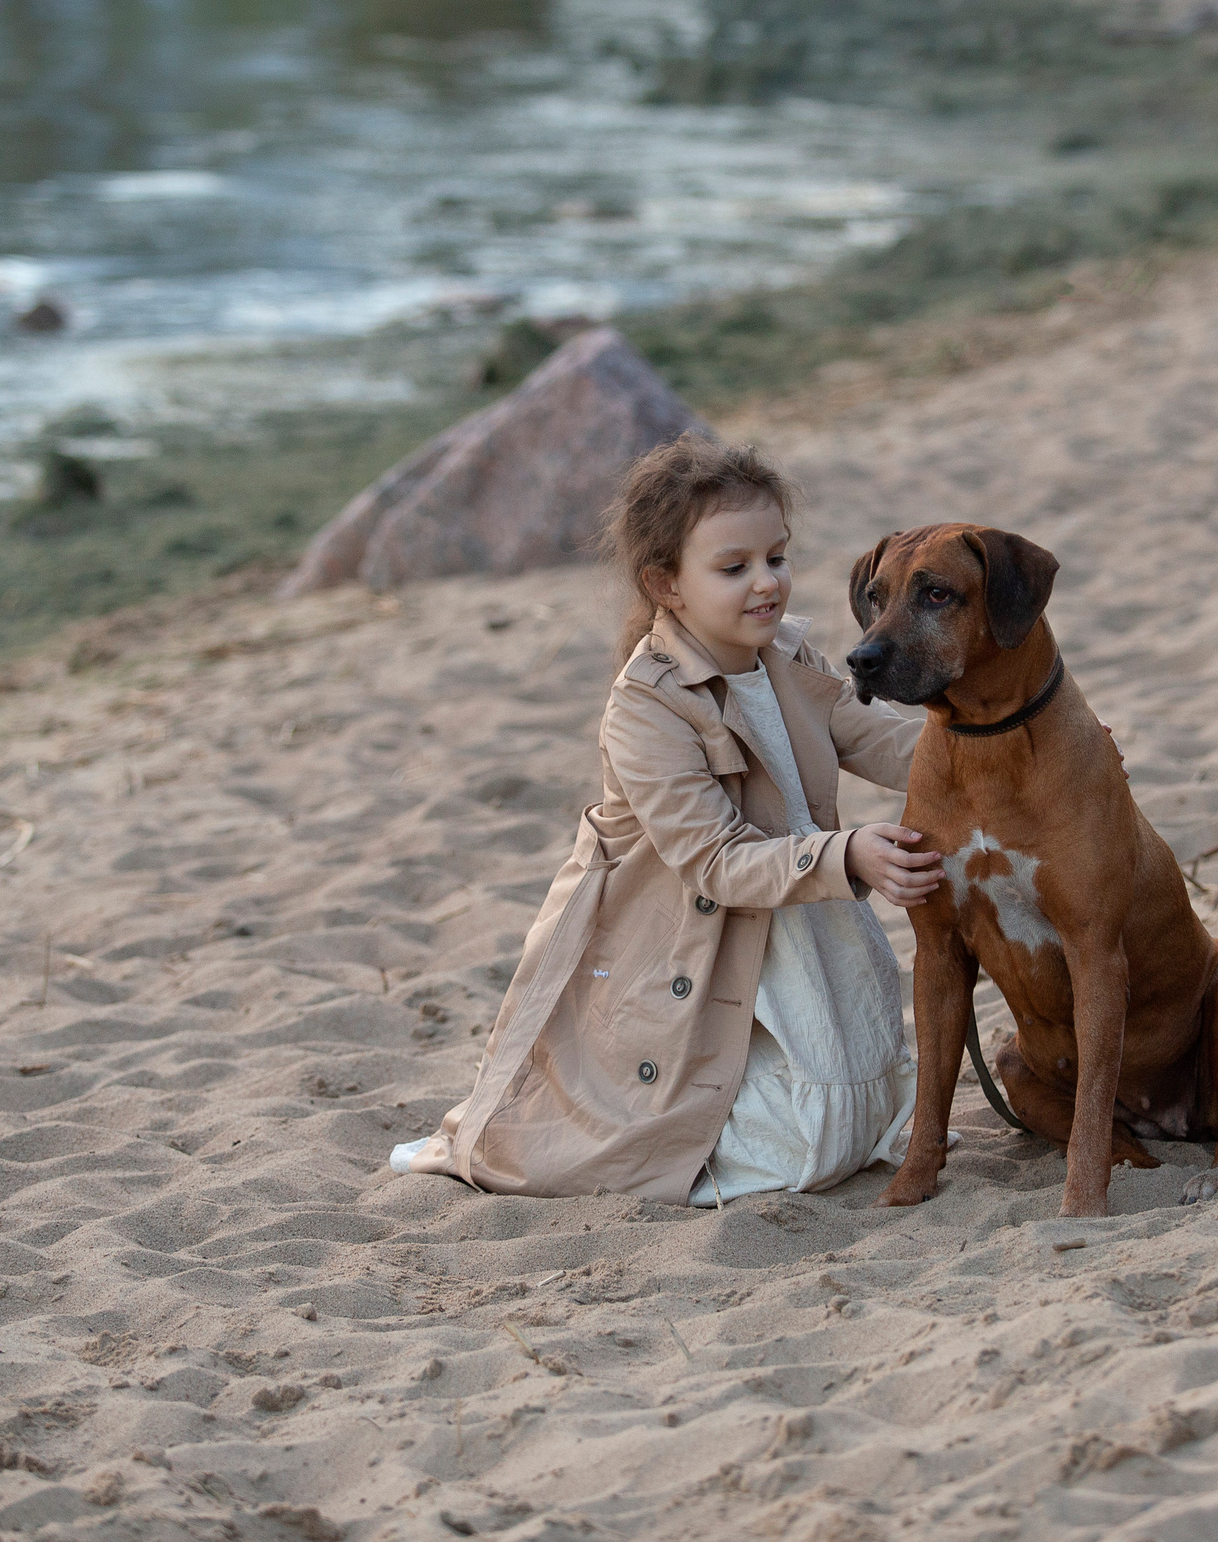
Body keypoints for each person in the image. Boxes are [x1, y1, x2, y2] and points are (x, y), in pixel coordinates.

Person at [395, 438, 944, 1205]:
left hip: (800, 911)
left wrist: (1012, 752)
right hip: (703, 935)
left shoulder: (789, 653)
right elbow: (715, 859)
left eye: (777, 558)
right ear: (667, 584)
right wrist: (845, 856)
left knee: (857, 1114)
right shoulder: (647, 704)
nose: (767, 583)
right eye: (734, 567)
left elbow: (877, 739)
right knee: (795, 1148)